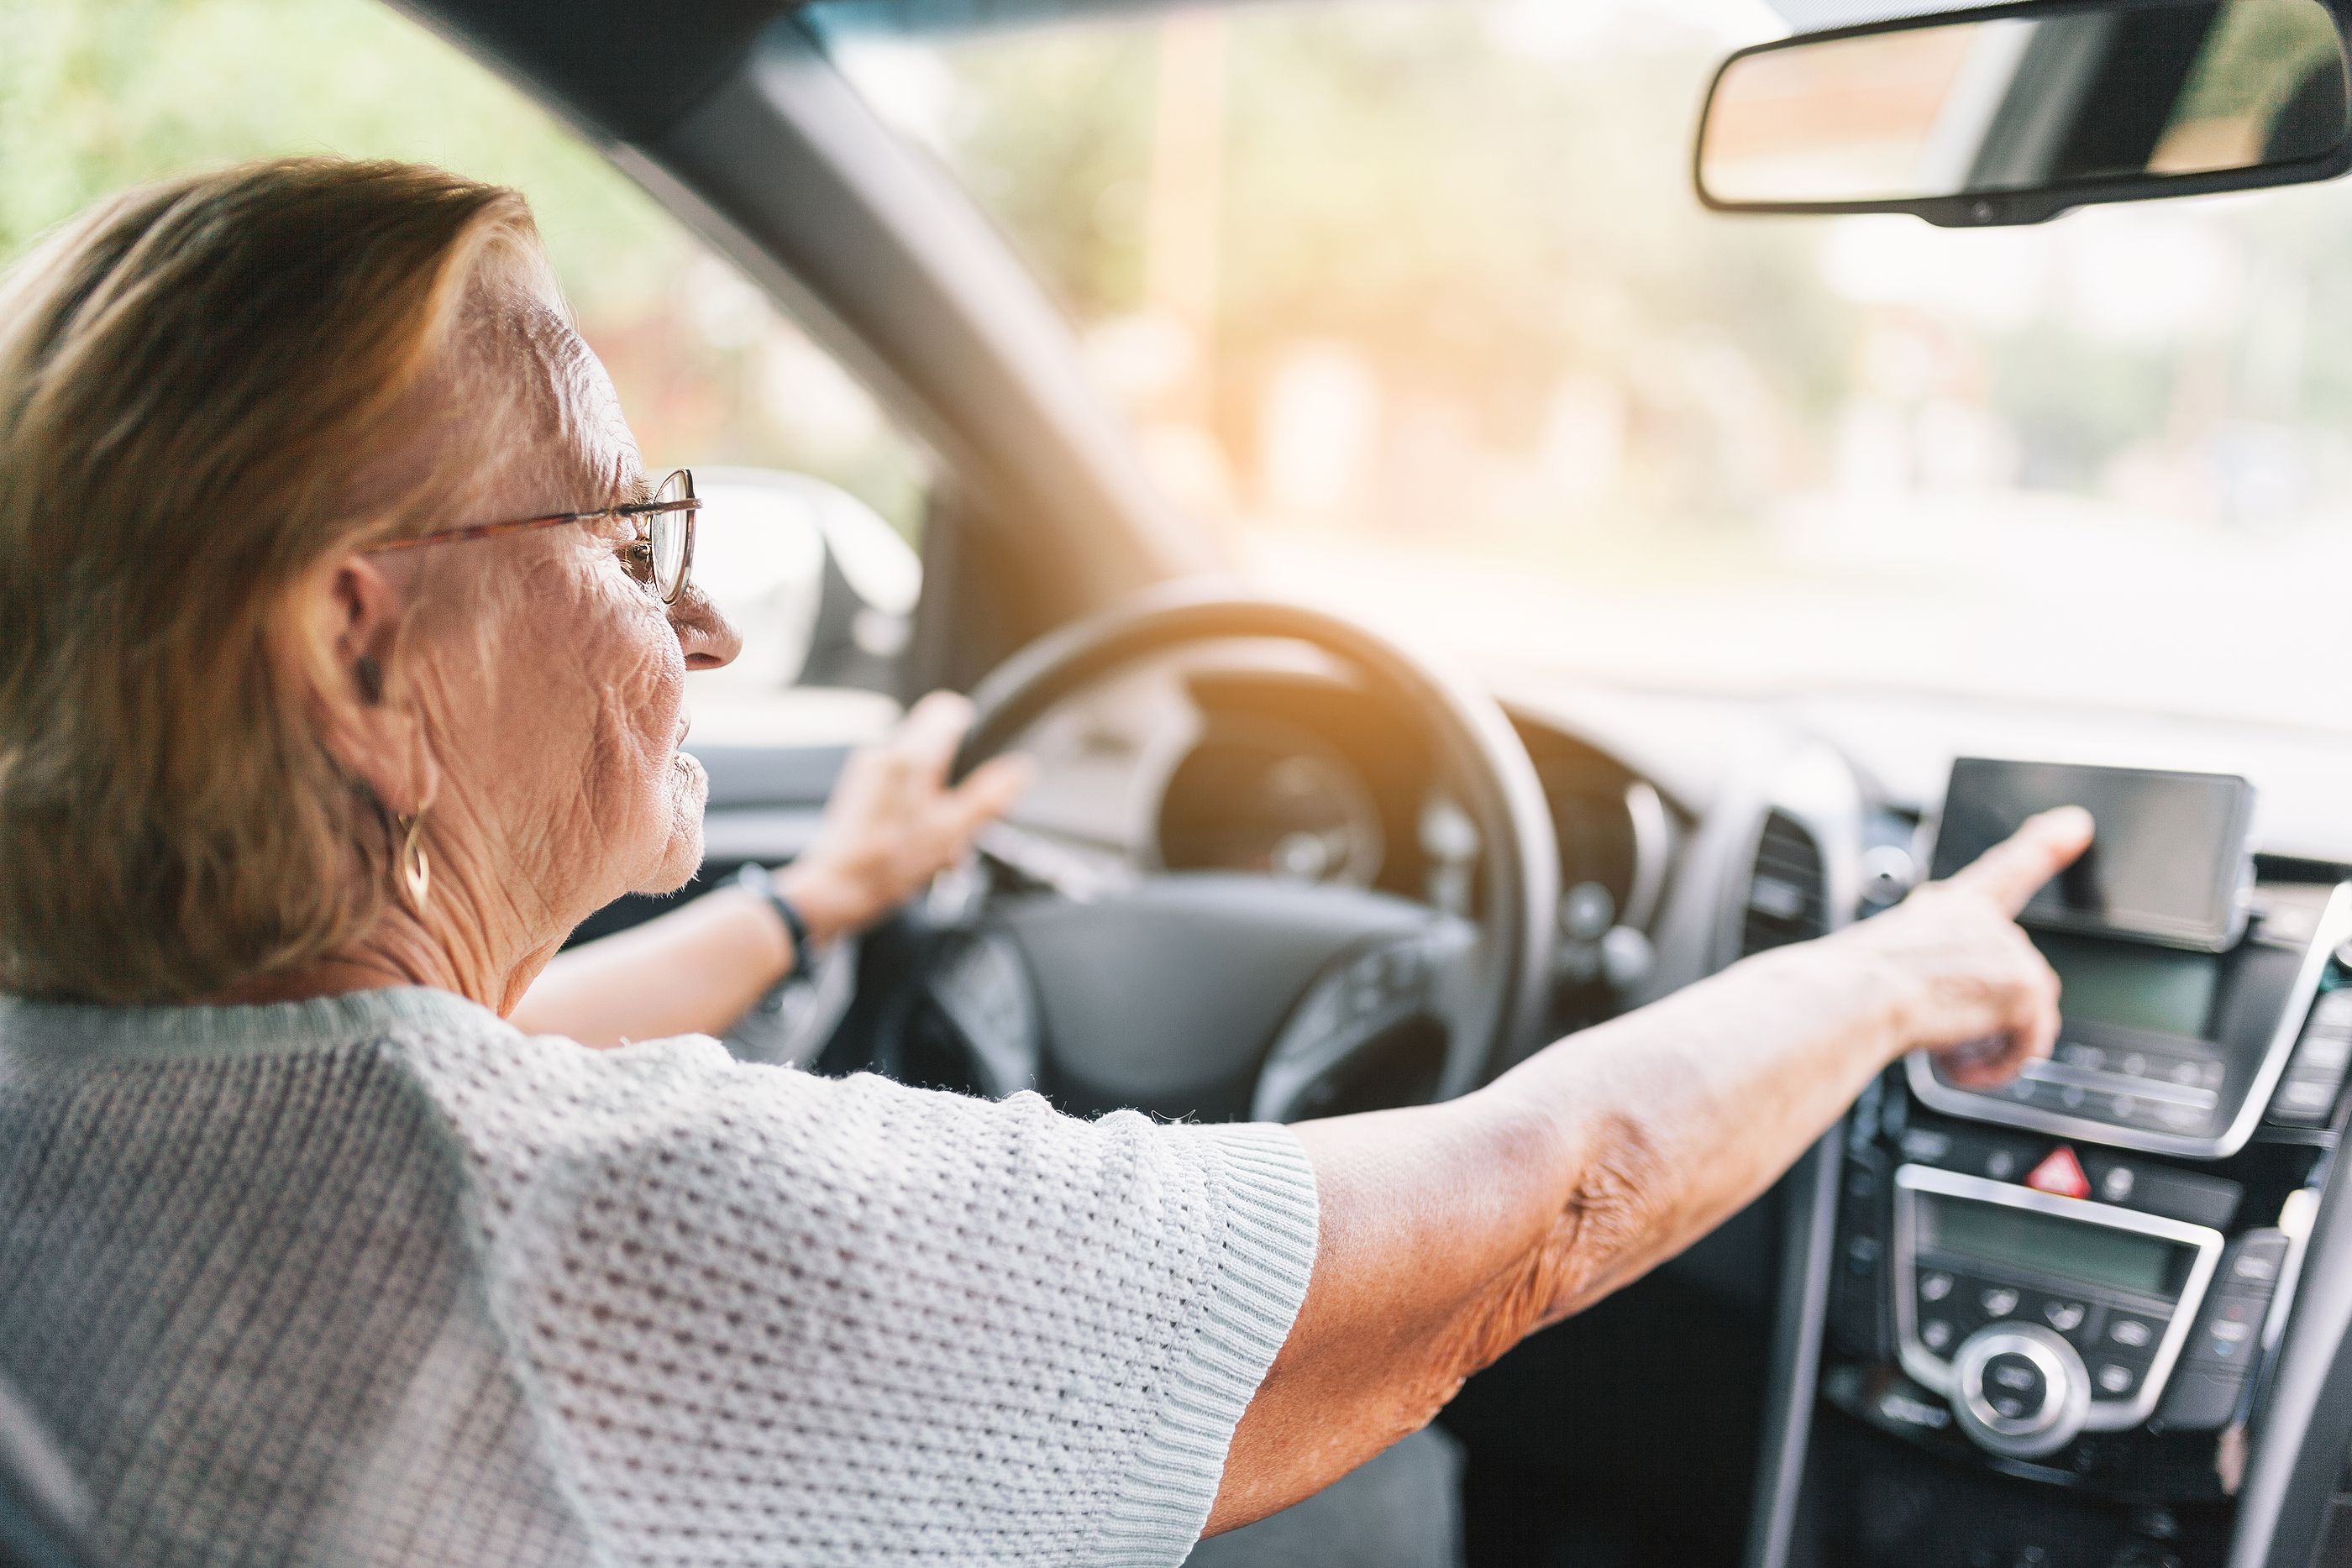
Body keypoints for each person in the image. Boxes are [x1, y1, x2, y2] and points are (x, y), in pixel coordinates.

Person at [0, 157, 2089, 1568]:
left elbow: (464, 1055)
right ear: (360, 650)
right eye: (627, 542)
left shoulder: (80, 1074)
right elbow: (1522, 1214)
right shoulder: (609, 1242)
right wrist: (1899, 968)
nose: (706, 625)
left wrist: (819, 904)